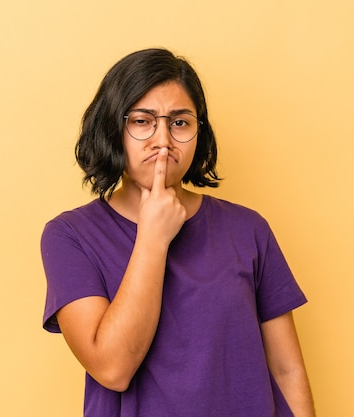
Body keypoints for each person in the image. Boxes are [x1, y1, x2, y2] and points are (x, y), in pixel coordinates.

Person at [41, 48, 315, 417]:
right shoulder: (69, 236)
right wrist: (153, 238)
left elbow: (287, 368)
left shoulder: (248, 229)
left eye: (180, 123)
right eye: (142, 121)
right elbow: (112, 369)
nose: (163, 140)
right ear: (112, 129)